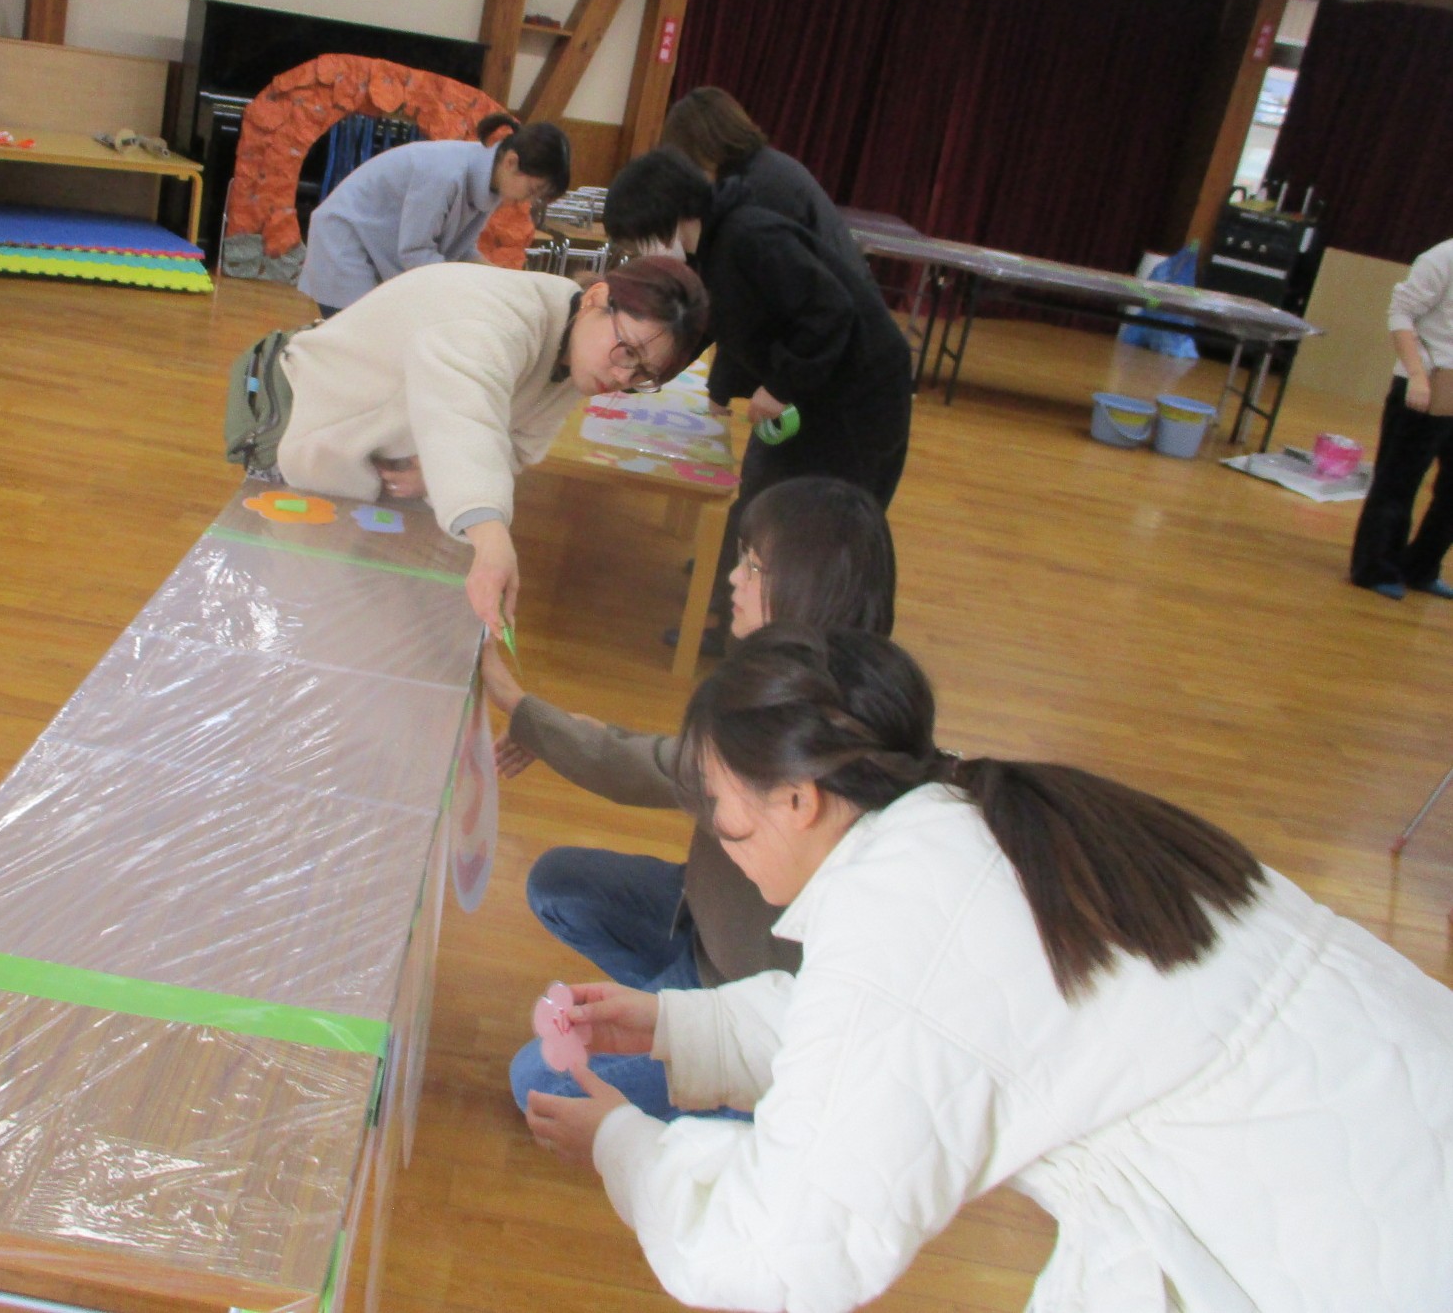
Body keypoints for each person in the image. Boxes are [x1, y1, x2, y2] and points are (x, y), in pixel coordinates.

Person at [526, 626, 1453, 1312]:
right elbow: (928, 1027)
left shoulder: (909, 907)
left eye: (721, 813)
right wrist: (679, 1023)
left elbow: (784, 1245)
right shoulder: (971, 821)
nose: (720, 839)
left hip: (1365, 1248)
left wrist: (625, 1149)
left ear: (798, 800)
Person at [485, 478, 894, 1117]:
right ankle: (670, 1011)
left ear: (805, 588)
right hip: (701, 925)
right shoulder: (800, 685)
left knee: (539, 1086)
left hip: (744, 998)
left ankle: (739, 1092)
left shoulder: (813, 734)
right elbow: (673, 763)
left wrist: (516, 702)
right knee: (559, 884)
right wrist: (562, 727)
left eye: (753, 567)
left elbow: (656, 769)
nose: (733, 578)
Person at [228, 256, 708, 637]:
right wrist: (492, 538)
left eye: (644, 374)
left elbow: (515, 443)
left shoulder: (579, 346)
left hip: (366, 442)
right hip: (297, 412)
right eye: (628, 352)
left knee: (356, 602)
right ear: (598, 298)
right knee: (295, 593)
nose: (623, 376)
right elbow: (462, 417)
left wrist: (433, 474)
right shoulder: (496, 319)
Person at [604, 147, 912, 650]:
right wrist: (708, 386)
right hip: (814, 391)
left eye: (640, 237)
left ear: (666, 213)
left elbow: (829, 313)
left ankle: (814, 648)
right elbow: (729, 321)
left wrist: (781, 386)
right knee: (761, 501)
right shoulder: (713, 247)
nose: (644, 251)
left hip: (857, 399)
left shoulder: (750, 236)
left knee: (823, 529)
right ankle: (731, 624)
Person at [659, 87, 888, 414]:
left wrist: (779, 386)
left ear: (705, 145)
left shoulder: (759, 191)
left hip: (846, 355)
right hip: (829, 347)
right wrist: (718, 387)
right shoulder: (755, 174)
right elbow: (734, 300)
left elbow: (774, 303)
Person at [298, 114, 572, 317]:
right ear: (511, 162)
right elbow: (415, 252)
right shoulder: (446, 174)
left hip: (370, 247)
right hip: (344, 243)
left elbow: (462, 252)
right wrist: (468, 290)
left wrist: (506, 281)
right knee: (357, 345)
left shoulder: (490, 184)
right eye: (533, 190)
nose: (528, 201)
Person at [1349, 236, 1453, 600]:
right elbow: (1400, 314)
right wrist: (1417, 375)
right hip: (1428, 383)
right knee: (1398, 482)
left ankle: (1421, 566)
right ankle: (1375, 568)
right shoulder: (1443, 257)